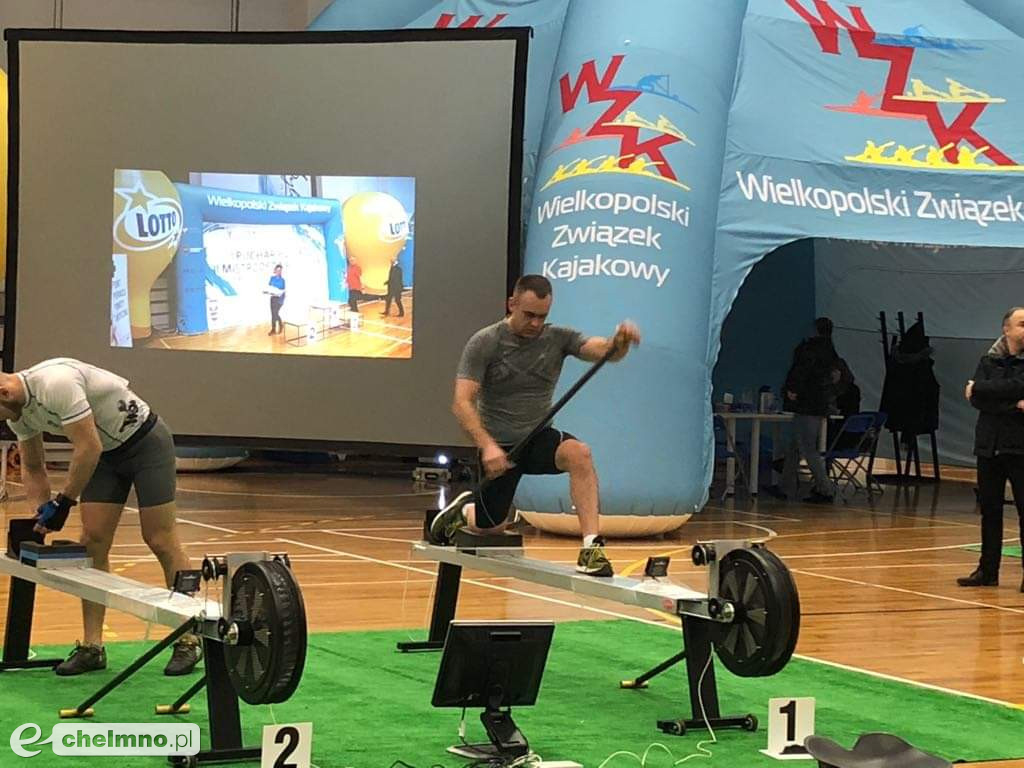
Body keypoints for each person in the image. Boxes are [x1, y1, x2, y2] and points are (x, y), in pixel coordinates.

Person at [427, 274, 641, 576]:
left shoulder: (558, 338)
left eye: (542, 316)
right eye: (529, 315)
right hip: (500, 448)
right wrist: (487, 446)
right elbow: (461, 403)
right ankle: (464, 511)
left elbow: (603, 351)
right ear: (511, 304)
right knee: (491, 527)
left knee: (580, 453)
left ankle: (591, 548)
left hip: (539, 437)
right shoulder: (485, 342)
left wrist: (619, 343)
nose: (536, 324)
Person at [0, 359, 201, 676]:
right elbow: (34, 467)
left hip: (145, 443)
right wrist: (39, 514)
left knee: (160, 538)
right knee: (92, 541)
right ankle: (92, 647)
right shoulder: (17, 413)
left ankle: (190, 638)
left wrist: (64, 502)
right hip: (106, 455)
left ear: (4, 393)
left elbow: (87, 447)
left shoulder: (55, 383)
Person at [958, 307, 1024, 590]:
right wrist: (1014, 404)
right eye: (1022, 324)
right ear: (1006, 329)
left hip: (1019, 448)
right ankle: (987, 571)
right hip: (988, 447)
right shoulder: (988, 359)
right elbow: (977, 398)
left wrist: (983, 390)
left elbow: (1010, 386)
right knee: (990, 510)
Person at [780, 317, 840, 503]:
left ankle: (826, 489)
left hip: (807, 404)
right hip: (820, 403)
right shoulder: (831, 351)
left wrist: (792, 389)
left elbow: (801, 371)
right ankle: (785, 485)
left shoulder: (809, 350)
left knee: (807, 448)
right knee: (795, 446)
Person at [267, 264, 286, 335]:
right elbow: (269, 286)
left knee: (275, 313)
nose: (279, 271)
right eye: (277, 270)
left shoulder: (282, 280)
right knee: (273, 314)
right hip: (272, 298)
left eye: (280, 270)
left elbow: (282, 290)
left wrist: (276, 290)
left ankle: (280, 325)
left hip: (279, 299)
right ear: (275, 270)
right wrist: (267, 291)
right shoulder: (272, 278)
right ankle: (273, 329)